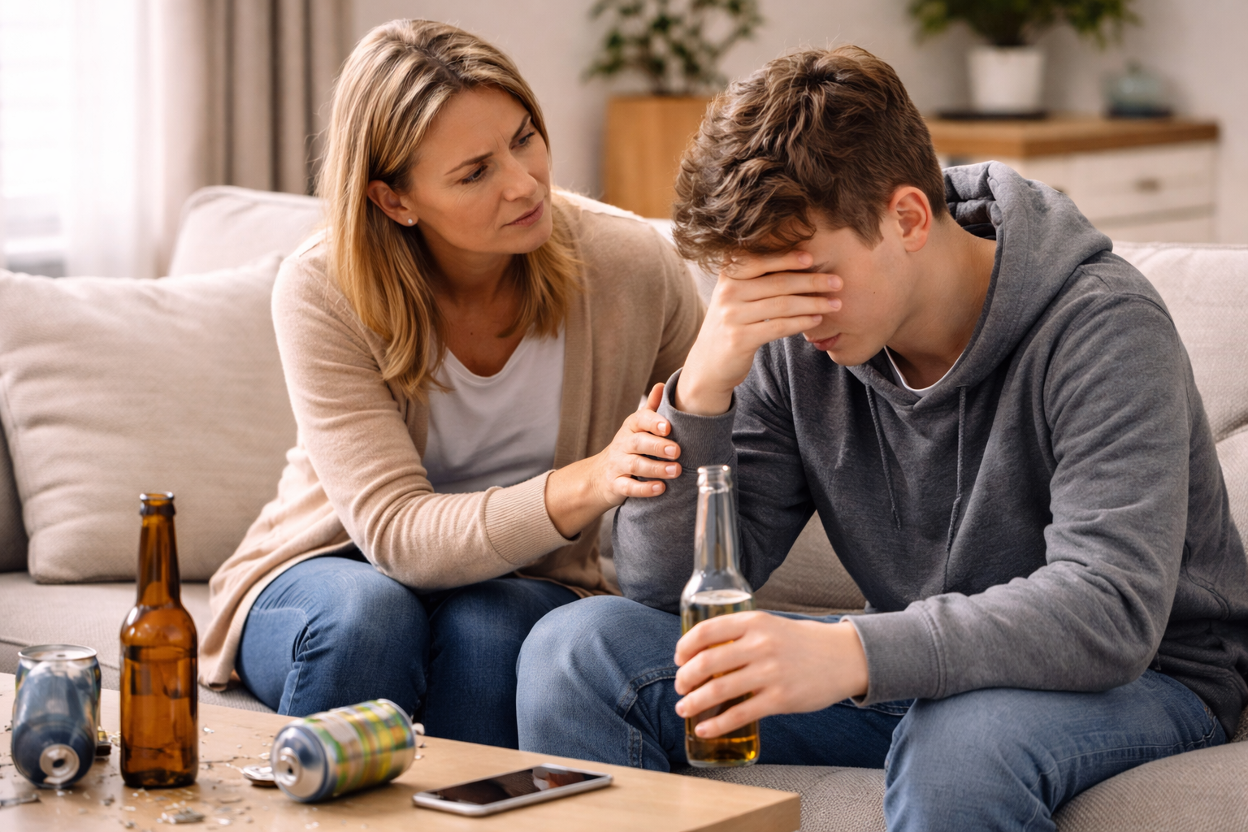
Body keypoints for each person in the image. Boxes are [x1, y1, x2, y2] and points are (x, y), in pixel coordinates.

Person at [516, 45, 1248, 828]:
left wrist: (854, 654)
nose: (783, 306)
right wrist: (703, 388)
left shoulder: (1100, 325)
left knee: (962, 744)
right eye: (753, 282)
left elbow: (1108, 609)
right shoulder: (797, 340)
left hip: (1146, 676)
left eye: (801, 274)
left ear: (905, 217)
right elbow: (664, 588)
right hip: (922, 670)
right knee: (576, 652)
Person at [198, 19, 703, 749]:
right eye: (475, 173)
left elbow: (721, 444)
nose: (524, 183)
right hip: (332, 571)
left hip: (523, 581)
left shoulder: (627, 263)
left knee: (490, 629)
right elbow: (397, 535)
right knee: (368, 618)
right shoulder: (322, 288)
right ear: (394, 200)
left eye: (523, 138)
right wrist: (589, 482)